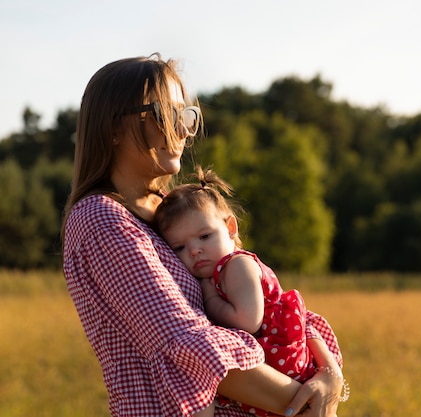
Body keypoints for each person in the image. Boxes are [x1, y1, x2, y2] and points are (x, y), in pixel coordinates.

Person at [61, 53, 344, 417]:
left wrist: (329, 375)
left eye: (184, 116)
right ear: (112, 127)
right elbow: (189, 344)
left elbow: (266, 298)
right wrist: (305, 405)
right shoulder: (102, 219)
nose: (181, 130)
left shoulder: (171, 213)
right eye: (164, 115)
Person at [153, 168, 348, 417]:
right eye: (179, 247)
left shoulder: (236, 266)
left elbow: (248, 320)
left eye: (204, 236)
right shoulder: (220, 271)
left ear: (231, 227)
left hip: (282, 361)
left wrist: (210, 300)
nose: (194, 251)